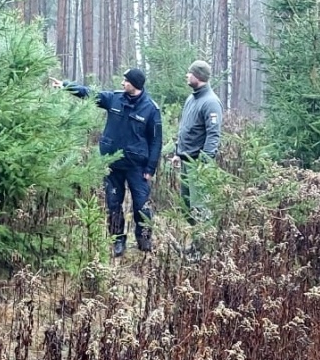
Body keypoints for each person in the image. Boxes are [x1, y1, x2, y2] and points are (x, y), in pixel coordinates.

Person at [51, 69, 161, 257]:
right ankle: (118, 240)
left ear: (135, 84)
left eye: (126, 81)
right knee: (113, 203)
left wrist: (150, 168)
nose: (122, 83)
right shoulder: (114, 99)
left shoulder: (151, 109)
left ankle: (144, 240)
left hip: (137, 166)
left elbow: (156, 140)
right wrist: (65, 86)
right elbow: (90, 94)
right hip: (112, 164)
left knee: (141, 205)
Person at [170, 60, 223, 224]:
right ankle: (195, 242)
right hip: (187, 161)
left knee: (200, 207)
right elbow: (185, 129)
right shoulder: (191, 99)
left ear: (198, 76)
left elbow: (213, 134)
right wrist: (178, 153)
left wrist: (204, 162)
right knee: (186, 207)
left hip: (198, 164)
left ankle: (204, 245)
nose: (187, 75)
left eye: (190, 72)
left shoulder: (211, 102)